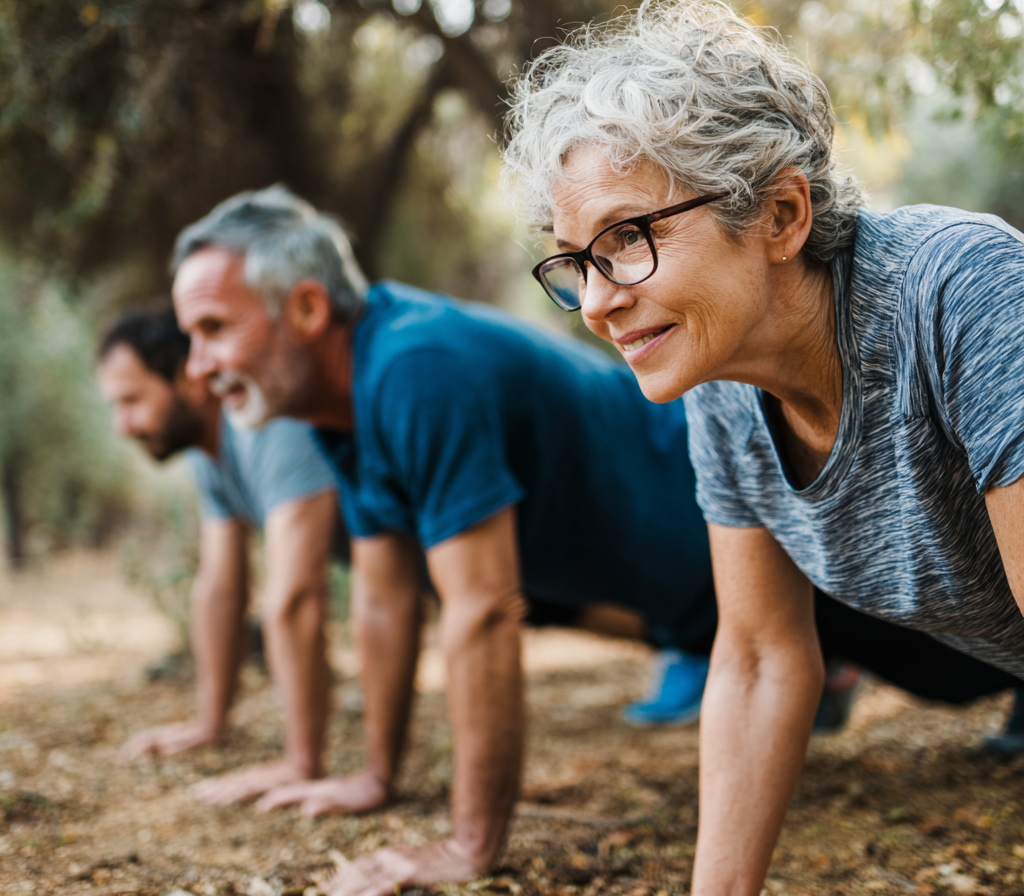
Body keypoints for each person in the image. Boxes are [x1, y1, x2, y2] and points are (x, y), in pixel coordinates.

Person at [169, 186, 1022, 896]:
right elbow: (387, 597)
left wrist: (471, 843)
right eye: (574, 263)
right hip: (665, 589)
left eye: (212, 329)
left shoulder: (414, 368)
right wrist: (371, 776)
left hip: (709, 532)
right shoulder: (340, 413)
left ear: (307, 307)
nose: (196, 367)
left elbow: (482, 611)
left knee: (960, 661)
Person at [503, 0, 1024, 896]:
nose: (595, 303)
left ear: (782, 216)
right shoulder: (721, 381)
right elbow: (756, 659)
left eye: (627, 238)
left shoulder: (961, 293)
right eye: (577, 260)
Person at [97, 306, 343, 804]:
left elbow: (298, 598)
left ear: (188, 379)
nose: (121, 425)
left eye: (131, 400)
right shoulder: (211, 452)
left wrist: (300, 764)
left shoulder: (269, 425)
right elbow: (220, 588)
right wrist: (210, 724)